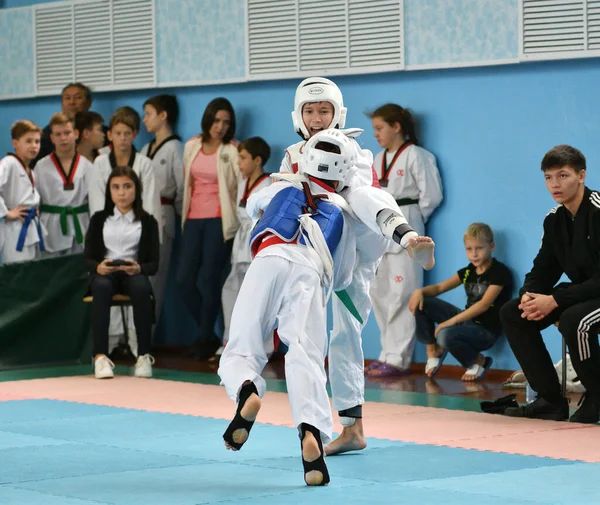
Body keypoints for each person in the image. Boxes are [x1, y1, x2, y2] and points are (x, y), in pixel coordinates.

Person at [280, 77, 435, 456]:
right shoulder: (291, 155)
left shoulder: (356, 151)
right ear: (298, 115)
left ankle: (405, 235)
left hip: (354, 251)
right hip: (314, 252)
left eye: (324, 110)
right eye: (310, 111)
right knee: (306, 339)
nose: (317, 118)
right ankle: (320, 429)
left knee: (346, 334)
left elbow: (359, 201)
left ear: (338, 113)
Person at [500, 145, 600, 424]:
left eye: (563, 176)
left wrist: (555, 301)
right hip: (586, 293)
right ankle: (549, 400)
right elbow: (543, 268)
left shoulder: (598, 211)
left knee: (574, 321)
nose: (555, 184)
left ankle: (597, 397)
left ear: (581, 176)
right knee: (513, 313)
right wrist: (528, 297)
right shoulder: (554, 219)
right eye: (548, 178)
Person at [367, 103, 443, 377]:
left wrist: (413, 217)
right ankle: (385, 353)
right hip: (380, 226)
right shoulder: (375, 159)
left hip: (407, 222)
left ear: (396, 127)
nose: (376, 134)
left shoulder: (417, 155)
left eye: (380, 128)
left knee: (402, 293)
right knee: (379, 293)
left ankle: (398, 358)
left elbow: (431, 196)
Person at [89, 106, 161, 357]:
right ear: (110, 135)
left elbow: (150, 204)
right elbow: (98, 206)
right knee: (103, 285)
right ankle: (109, 346)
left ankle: (136, 345)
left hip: (137, 234)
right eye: (117, 133)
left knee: (139, 287)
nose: (122, 138)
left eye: (127, 133)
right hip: (108, 233)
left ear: (134, 134)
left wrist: (147, 241)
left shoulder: (144, 163)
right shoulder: (99, 163)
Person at [177, 97, 240, 360]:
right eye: (216, 120)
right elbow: (186, 181)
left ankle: (204, 338)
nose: (221, 126)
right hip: (192, 218)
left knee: (210, 280)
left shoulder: (232, 149)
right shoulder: (192, 145)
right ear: (208, 119)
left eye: (226, 122)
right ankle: (209, 333)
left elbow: (238, 186)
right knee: (183, 280)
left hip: (219, 220)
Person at [409, 223, 512, 381]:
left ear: (491, 247)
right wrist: (419, 292)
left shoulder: (500, 272)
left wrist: (448, 323)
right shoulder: (468, 271)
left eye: (479, 248)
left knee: (444, 335)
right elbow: (439, 287)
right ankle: (433, 351)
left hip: (486, 331)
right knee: (423, 304)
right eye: (469, 249)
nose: (474, 254)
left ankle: (478, 361)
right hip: (467, 321)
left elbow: (483, 305)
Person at [84, 165, 159, 379]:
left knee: (141, 287)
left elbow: (154, 264)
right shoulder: (99, 219)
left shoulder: (147, 221)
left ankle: (143, 356)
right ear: (109, 191)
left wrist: (139, 268)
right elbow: (88, 259)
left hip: (132, 272)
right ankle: (100, 357)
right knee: (100, 285)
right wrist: (97, 267)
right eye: (116, 187)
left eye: (127, 186)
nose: (122, 192)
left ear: (136, 189)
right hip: (106, 273)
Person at [220, 137, 272, 355]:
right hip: (241, 244)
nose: (238, 163)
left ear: (257, 160)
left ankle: (259, 347)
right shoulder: (243, 183)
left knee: (258, 298)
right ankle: (231, 342)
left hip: (258, 244)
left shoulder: (269, 184)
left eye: (242, 158)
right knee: (231, 292)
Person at [141, 94, 184, 328]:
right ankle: (134, 335)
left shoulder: (176, 148)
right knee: (140, 278)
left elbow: (183, 189)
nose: (144, 120)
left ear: (163, 115)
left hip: (164, 213)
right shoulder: (145, 148)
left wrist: (181, 218)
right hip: (140, 215)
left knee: (156, 279)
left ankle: (148, 336)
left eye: (148, 114)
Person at [37, 112, 93, 256]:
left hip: (80, 225)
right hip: (50, 227)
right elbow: (35, 201)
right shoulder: (41, 166)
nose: (63, 138)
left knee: (79, 274)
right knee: (51, 274)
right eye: (58, 134)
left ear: (76, 134)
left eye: (67, 133)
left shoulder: (88, 166)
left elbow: (95, 203)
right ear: (52, 138)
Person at [0, 120, 45, 264]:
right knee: (18, 275)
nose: (34, 146)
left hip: (31, 225)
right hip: (15, 228)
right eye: (28, 141)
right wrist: (6, 213)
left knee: (32, 274)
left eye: (37, 141)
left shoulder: (31, 170)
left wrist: (35, 209)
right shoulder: (9, 163)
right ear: (15, 143)